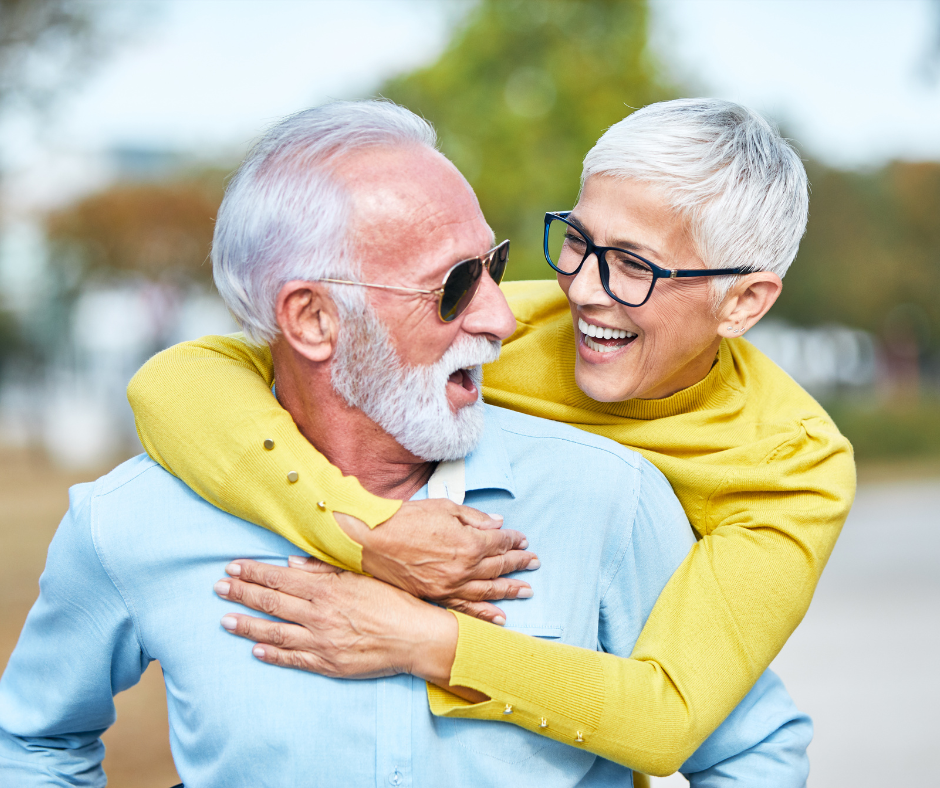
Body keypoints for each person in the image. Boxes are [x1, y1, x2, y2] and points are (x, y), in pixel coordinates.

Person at [0, 101, 810, 786]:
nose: (503, 318)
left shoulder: (612, 497)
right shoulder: (126, 524)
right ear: (313, 320)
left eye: (492, 266)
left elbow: (749, 748)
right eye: (456, 285)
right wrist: (365, 530)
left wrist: (439, 642)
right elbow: (32, 741)